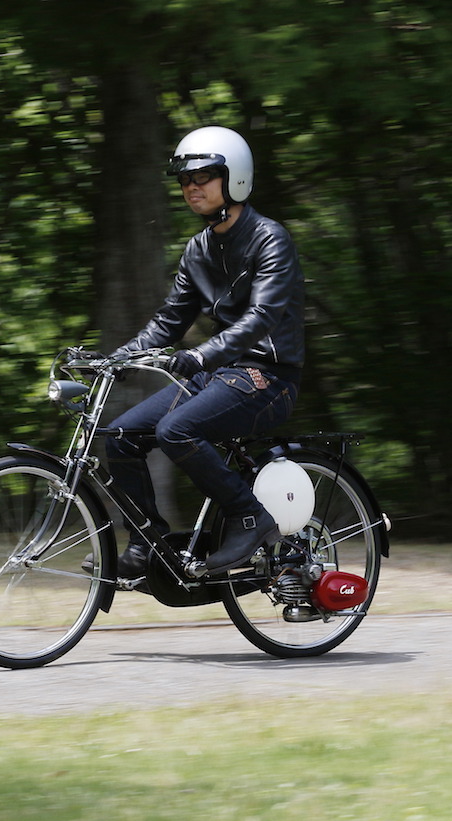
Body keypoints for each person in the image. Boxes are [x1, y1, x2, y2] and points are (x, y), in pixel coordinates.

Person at [104, 125, 305, 577]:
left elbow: (262, 317)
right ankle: (146, 543)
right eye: (185, 180)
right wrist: (119, 357)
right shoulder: (198, 249)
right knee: (120, 437)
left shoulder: (270, 238)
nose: (191, 187)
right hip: (218, 375)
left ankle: (250, 516)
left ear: (234, 179)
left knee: (175, 430)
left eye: (203, 176)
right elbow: (169, 320)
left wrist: (201, 355)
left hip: (268, 378)